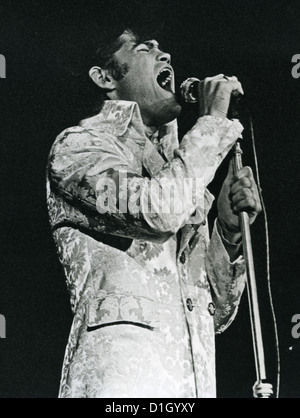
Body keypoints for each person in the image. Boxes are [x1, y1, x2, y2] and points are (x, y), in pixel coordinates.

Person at [47, 29, 262, 398]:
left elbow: (218, 313)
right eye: (145, 49)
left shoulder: (179, 168)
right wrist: (211, 125)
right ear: (105, 78)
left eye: (163, 48)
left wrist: (227, 231)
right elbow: (157, 211)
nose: (165, 55)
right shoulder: (79, 147)